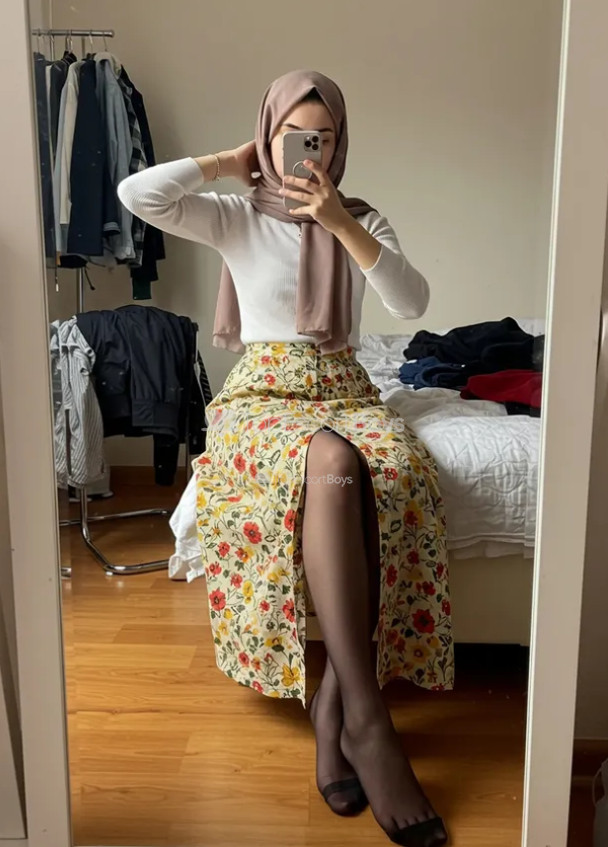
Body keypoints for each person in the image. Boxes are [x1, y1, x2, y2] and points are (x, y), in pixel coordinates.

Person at [118, 69, 453, 847]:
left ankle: (335, 704)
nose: (311, 151)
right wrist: (224, 163)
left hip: (346, 386)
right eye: (294, 135)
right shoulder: (236, 215)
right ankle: (369, 719)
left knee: (387, 472)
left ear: (340, 146)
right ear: (268, 136)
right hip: (263, 396)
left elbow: (412, 303)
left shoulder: (361, 218)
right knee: (330, 458)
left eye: (324, 138)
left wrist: (339, 223)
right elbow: (138, 195)